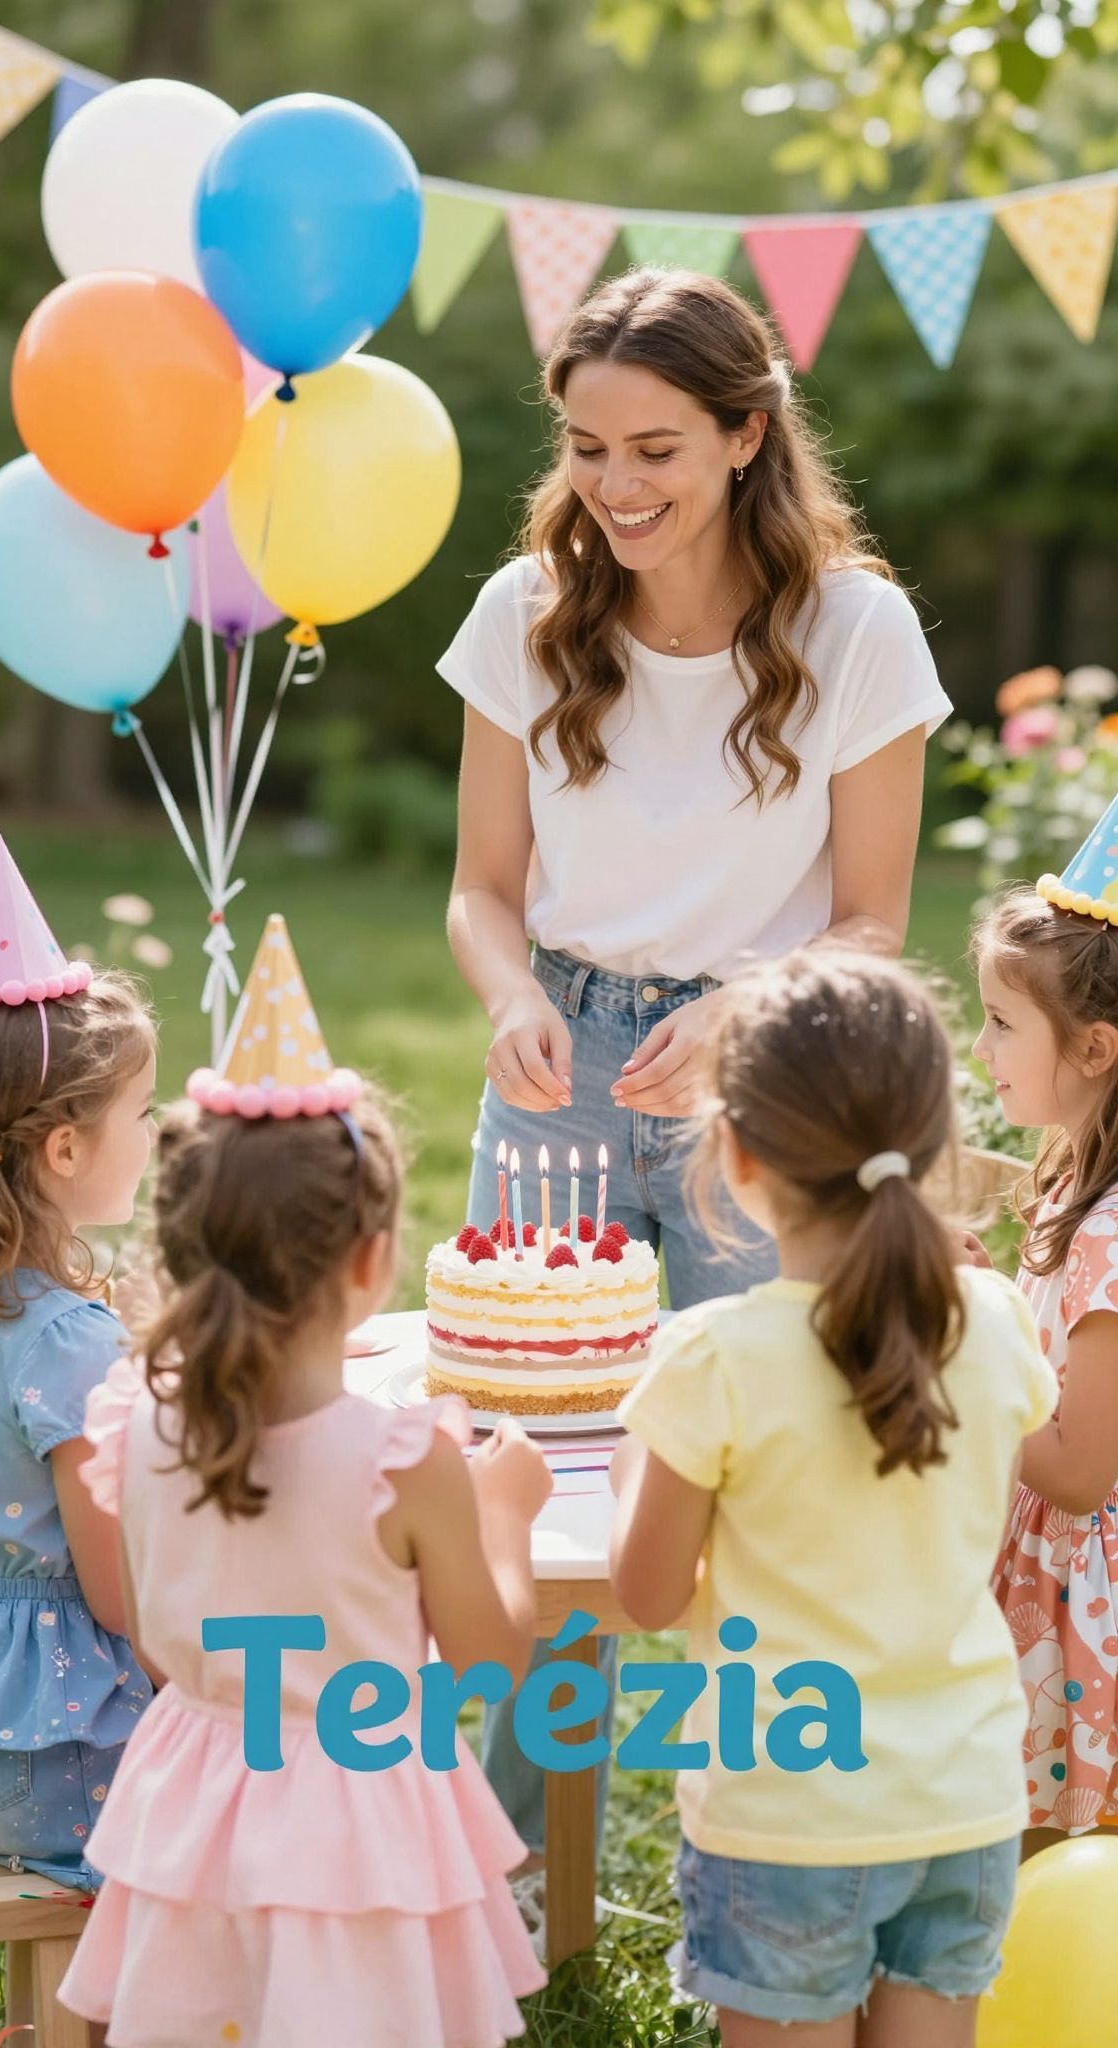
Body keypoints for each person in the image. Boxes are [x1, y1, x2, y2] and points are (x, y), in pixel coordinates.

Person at [439, 264, 952, 1878]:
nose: (615, 487)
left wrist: (745, 1010)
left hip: (776, 1068)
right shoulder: (525, 613)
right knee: (518, 1478)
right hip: (565, 1064)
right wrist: (512, 989)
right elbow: (476, 888)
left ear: (745, 433)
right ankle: (514, 1879)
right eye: (586, 448)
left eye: (655, 447)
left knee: (784, 1477)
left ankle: (782, 1857)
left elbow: (872, 916)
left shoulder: (854, 629)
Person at [59, 937, 552, 2048]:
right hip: (357, 1821)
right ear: (373, 1262)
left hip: (190, 1805)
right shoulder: (406, 1457)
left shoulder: (134, 1421)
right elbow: (487, 1665)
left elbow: (151, 1637)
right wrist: (505, 1514)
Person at [610, 950, 1056, 2048]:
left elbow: (650, 1593)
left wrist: (635, 1454)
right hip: (964, 1797)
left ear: (736, 1152)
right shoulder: (994, 1320)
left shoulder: (711, 1358)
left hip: (788, 1813)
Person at [0, 839, 156, 1894]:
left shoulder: (0, 1305)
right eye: (142, 1110)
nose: (158, 1129)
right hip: (67, 1765)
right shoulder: (68, 1343)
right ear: (66, 1149)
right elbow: (126, 1595)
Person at [975, 873, 1118, 1849]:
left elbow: (1076, 1470)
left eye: (999, 1021)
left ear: (1096, 1047)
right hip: (1042, 1585)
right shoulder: (1069, 1173)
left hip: (1082, 1611)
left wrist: (976, 1341)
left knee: (1056, 1862)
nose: (980, 1048)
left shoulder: (1110, 1236)